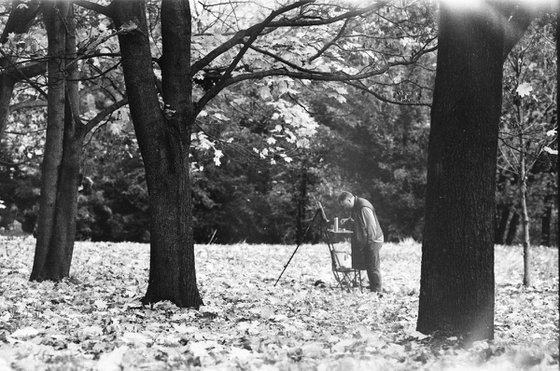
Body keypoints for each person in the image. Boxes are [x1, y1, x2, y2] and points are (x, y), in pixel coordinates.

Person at [338, 191, 383, 292]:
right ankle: (373, 286)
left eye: (344, 205)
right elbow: (357, 219)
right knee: (368, 264)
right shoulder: (355, 206)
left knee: (373, 265)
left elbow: (371, 227)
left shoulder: (363, 207)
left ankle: (377, 290)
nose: (344, 208)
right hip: (368, 239)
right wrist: (347, 220)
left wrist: (369, 244)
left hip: (374, 239)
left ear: (349, 200)